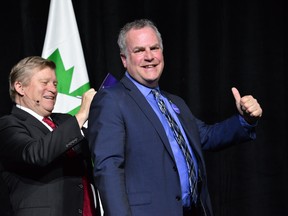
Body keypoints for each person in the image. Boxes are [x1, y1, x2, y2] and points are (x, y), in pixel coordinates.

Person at [88, 19, 263, 216]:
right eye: (139, 50)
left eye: (154, 48)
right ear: (124, 59)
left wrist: (245, 120)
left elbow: (205, 136)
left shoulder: (175, 102)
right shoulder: (112, 100)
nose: (149, 56)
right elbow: (108, 169)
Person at [0, 56, 101, 216]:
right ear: (20, 87)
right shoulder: (8, 125)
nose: (53, 89)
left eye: (54, 83)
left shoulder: (66, 121)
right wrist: (81, 115)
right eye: (44, 82)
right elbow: (35, 154)